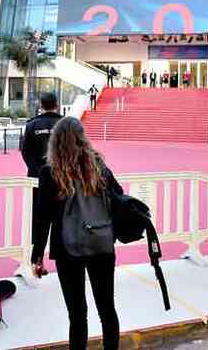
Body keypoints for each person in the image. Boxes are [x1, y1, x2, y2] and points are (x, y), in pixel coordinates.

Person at [31, 117, 122, 350]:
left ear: (56, 142)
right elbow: (118, 197)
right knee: (107, 309)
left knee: (77, 315)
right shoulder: (99, 166)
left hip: (66, 247)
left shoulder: (49, 172)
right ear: (83, 138)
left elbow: (44, 217)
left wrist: (37, 255)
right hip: (101, 243)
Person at [22, 93, 63, 246]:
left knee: (38, 216)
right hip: (61, 177)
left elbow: (26, 152)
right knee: (61, 214)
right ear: (56, 105)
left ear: (41, 105)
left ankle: (36, 257)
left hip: (37, 179)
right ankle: (60, 253)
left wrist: (39, 172)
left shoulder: (31, 125)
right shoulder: (64, 124)